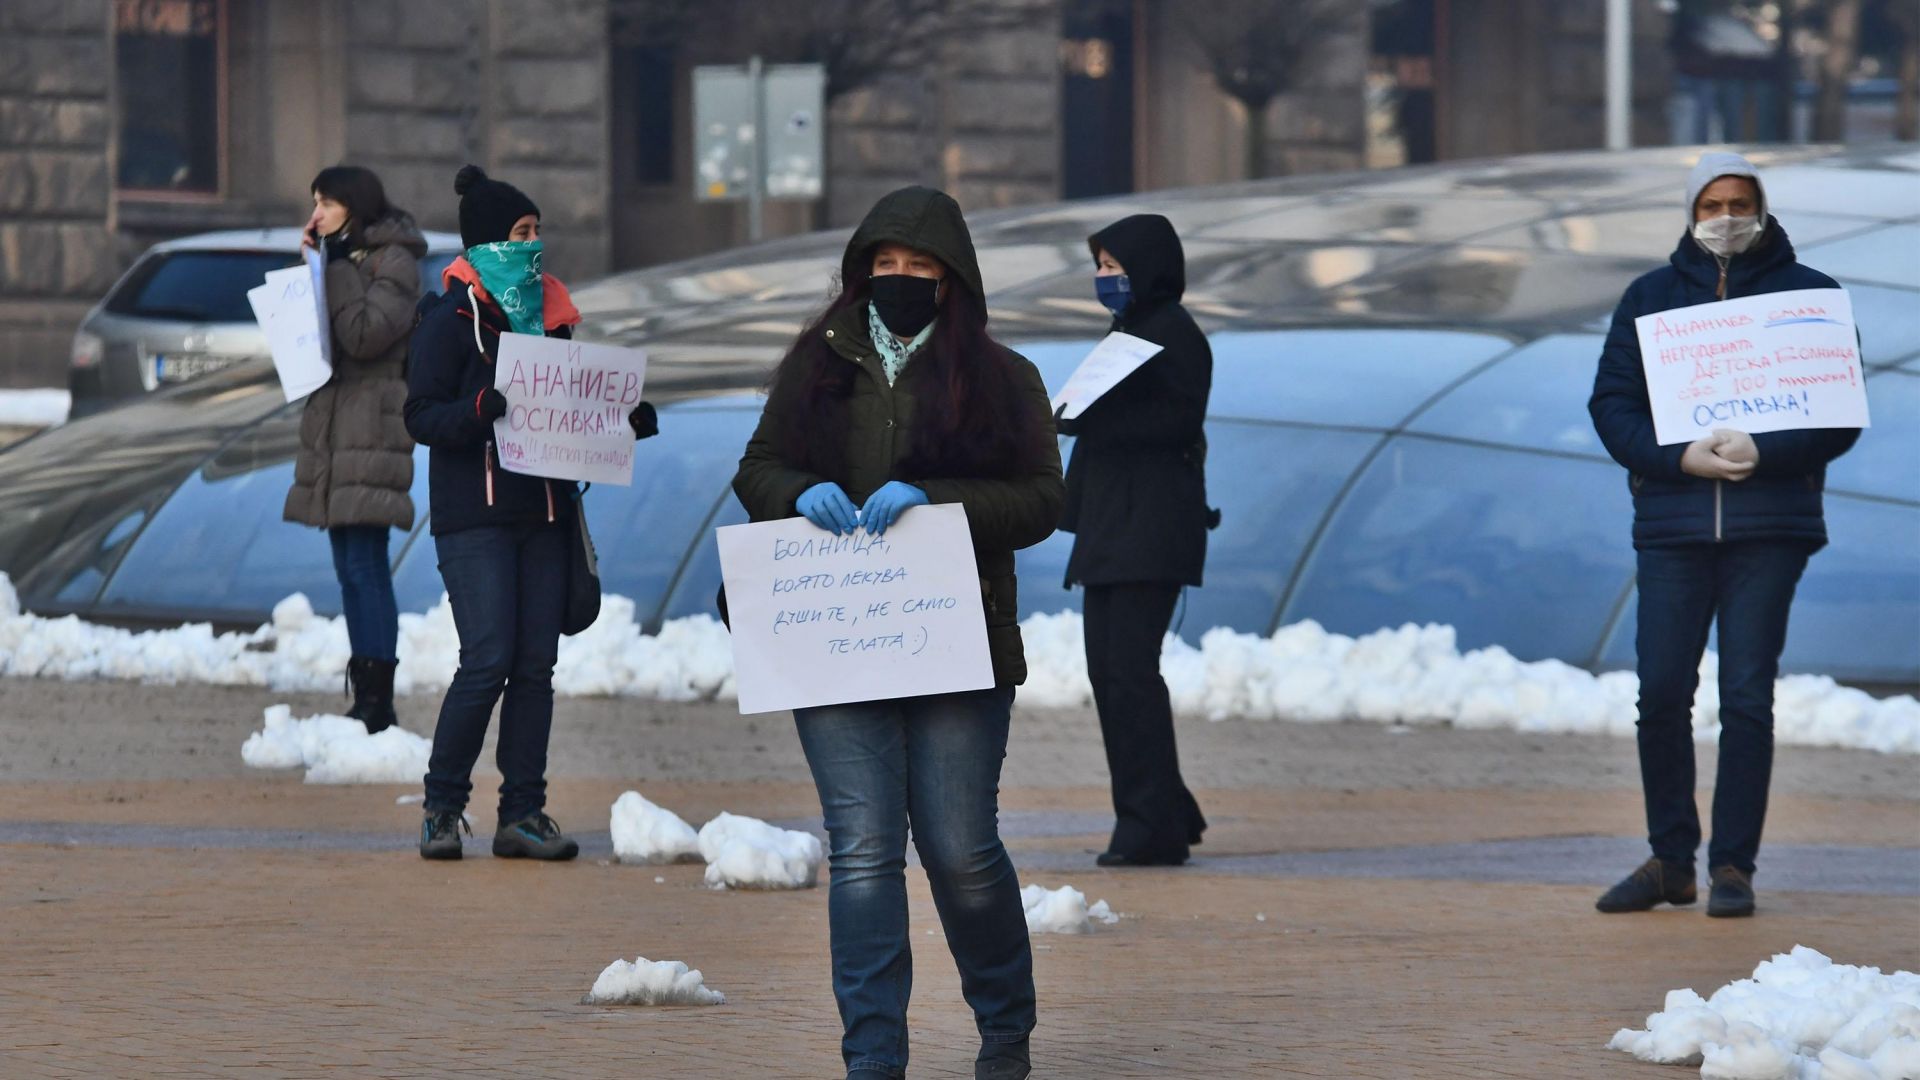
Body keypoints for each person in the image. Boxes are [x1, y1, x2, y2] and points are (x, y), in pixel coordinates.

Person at [733, 186, 1063, 1080]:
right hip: (834, 642)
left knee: (961, 849)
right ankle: (873, 1056)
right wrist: (797, 492)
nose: (901, 279)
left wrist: (936, 500)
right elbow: (757, 469)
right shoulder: (816, 365)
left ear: (953, 280)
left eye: (920, 267)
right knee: (864, 852)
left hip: (958, 645)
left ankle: (1005, 1027)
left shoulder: (1003, 376)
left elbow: (1043, 500)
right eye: (885, 264)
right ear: (861, 273)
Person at [1589, 152, 1860, 918]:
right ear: (1690, 212)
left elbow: (1838, 414)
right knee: (1660, 692)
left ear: (1762, 207)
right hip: (1672, 525)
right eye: (1712, 205)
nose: (1727, 218)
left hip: (1770, 526)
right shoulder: (1648, 297)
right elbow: (1613, 404)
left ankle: (1733, 866)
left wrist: (1763, 451)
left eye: (1740, 203)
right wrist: (1678, 456)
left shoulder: (1811, 296)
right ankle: (1670, 860)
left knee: (1745, 697)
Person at [404, 164, 659, 861]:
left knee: (536, 666)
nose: (533, 245)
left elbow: (570, 411)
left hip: (545, 513)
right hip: (475, 518)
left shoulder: (551, 317)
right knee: (488, 660)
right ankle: (441, 807)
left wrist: (622, 423)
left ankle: (522, 813)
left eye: (537, 232)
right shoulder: (449, 321)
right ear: (487, 242)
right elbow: (420, 415)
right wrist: (477, 411)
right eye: (520, 233)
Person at [1057, 214, 1212, 867]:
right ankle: (1166, 810)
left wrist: (1093, 414)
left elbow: (1173, 423)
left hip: (1148, 533)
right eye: (1099, 267)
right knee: (1113, 674)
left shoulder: (1172, 334)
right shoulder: (1127, 333)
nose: (1104, 278)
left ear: (1147, 268)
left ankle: (1150, 827)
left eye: (1114, 267)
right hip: (1114, 531)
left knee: (1128, 676)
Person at [282, 165, 421, 734]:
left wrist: (333, 269)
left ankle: (377, 702)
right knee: (349, 568)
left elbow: (364, 335)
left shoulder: (394, 262)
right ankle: (366, 695)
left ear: (354, 207)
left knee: (366, 566)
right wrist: (310, 272)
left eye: (327, 203)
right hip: (338, 429)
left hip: (372, 432)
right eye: (314, 202)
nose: (315, 214)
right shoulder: (340, 261)